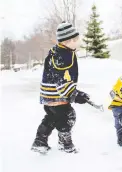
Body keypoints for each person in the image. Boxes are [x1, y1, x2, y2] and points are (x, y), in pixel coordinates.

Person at [31, 21, 90, 154]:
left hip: (50, 95)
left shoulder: (62, 52)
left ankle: (40, 141)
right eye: (76, 39)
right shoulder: (62, 55)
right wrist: (74, 94)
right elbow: (61, 80)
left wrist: (74, 92)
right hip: (56, 94)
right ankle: (65, 144)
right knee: (67, 116)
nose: (78, 41)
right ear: (68, 41)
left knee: (52, 117)